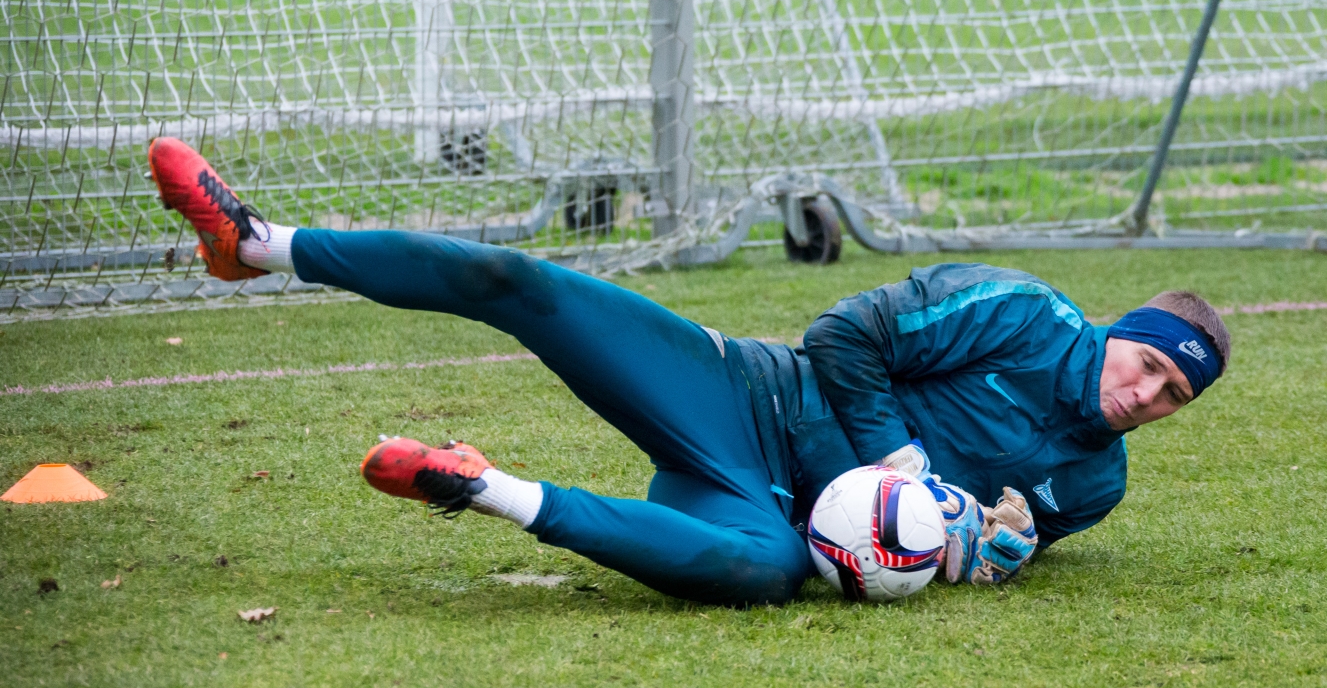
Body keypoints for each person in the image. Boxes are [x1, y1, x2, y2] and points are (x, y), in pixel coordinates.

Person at [147, 137, 1232, 606]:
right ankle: (257, 244)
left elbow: (965, 549)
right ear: (1116, 332)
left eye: (1170, 398)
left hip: (772, 509)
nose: (1144, 395)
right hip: (751, 395)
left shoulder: (1095, 489)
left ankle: (483, 487)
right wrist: (893, 462)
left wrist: (978, 557)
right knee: (520, 282)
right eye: (1146, 365)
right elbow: (845, 336)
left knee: (756, 574)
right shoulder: (1024, 311)